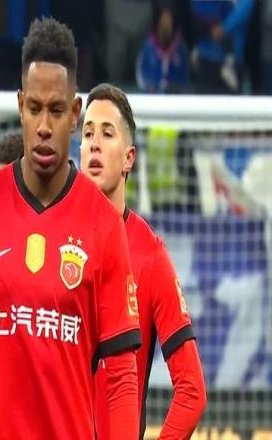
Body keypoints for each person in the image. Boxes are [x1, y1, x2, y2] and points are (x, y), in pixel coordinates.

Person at [0, 18, 141, 440]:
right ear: (20, 105)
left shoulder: (103, 223)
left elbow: (121, 376)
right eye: (34, 108)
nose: (44, 126)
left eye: (56, 110)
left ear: (75, 113)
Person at [79, 83, 206, 439]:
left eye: (107, 134)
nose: (95, 143)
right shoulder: (50, 238)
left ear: (129, 158)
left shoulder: (149, 254)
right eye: (87, 133)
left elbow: (192, 390)